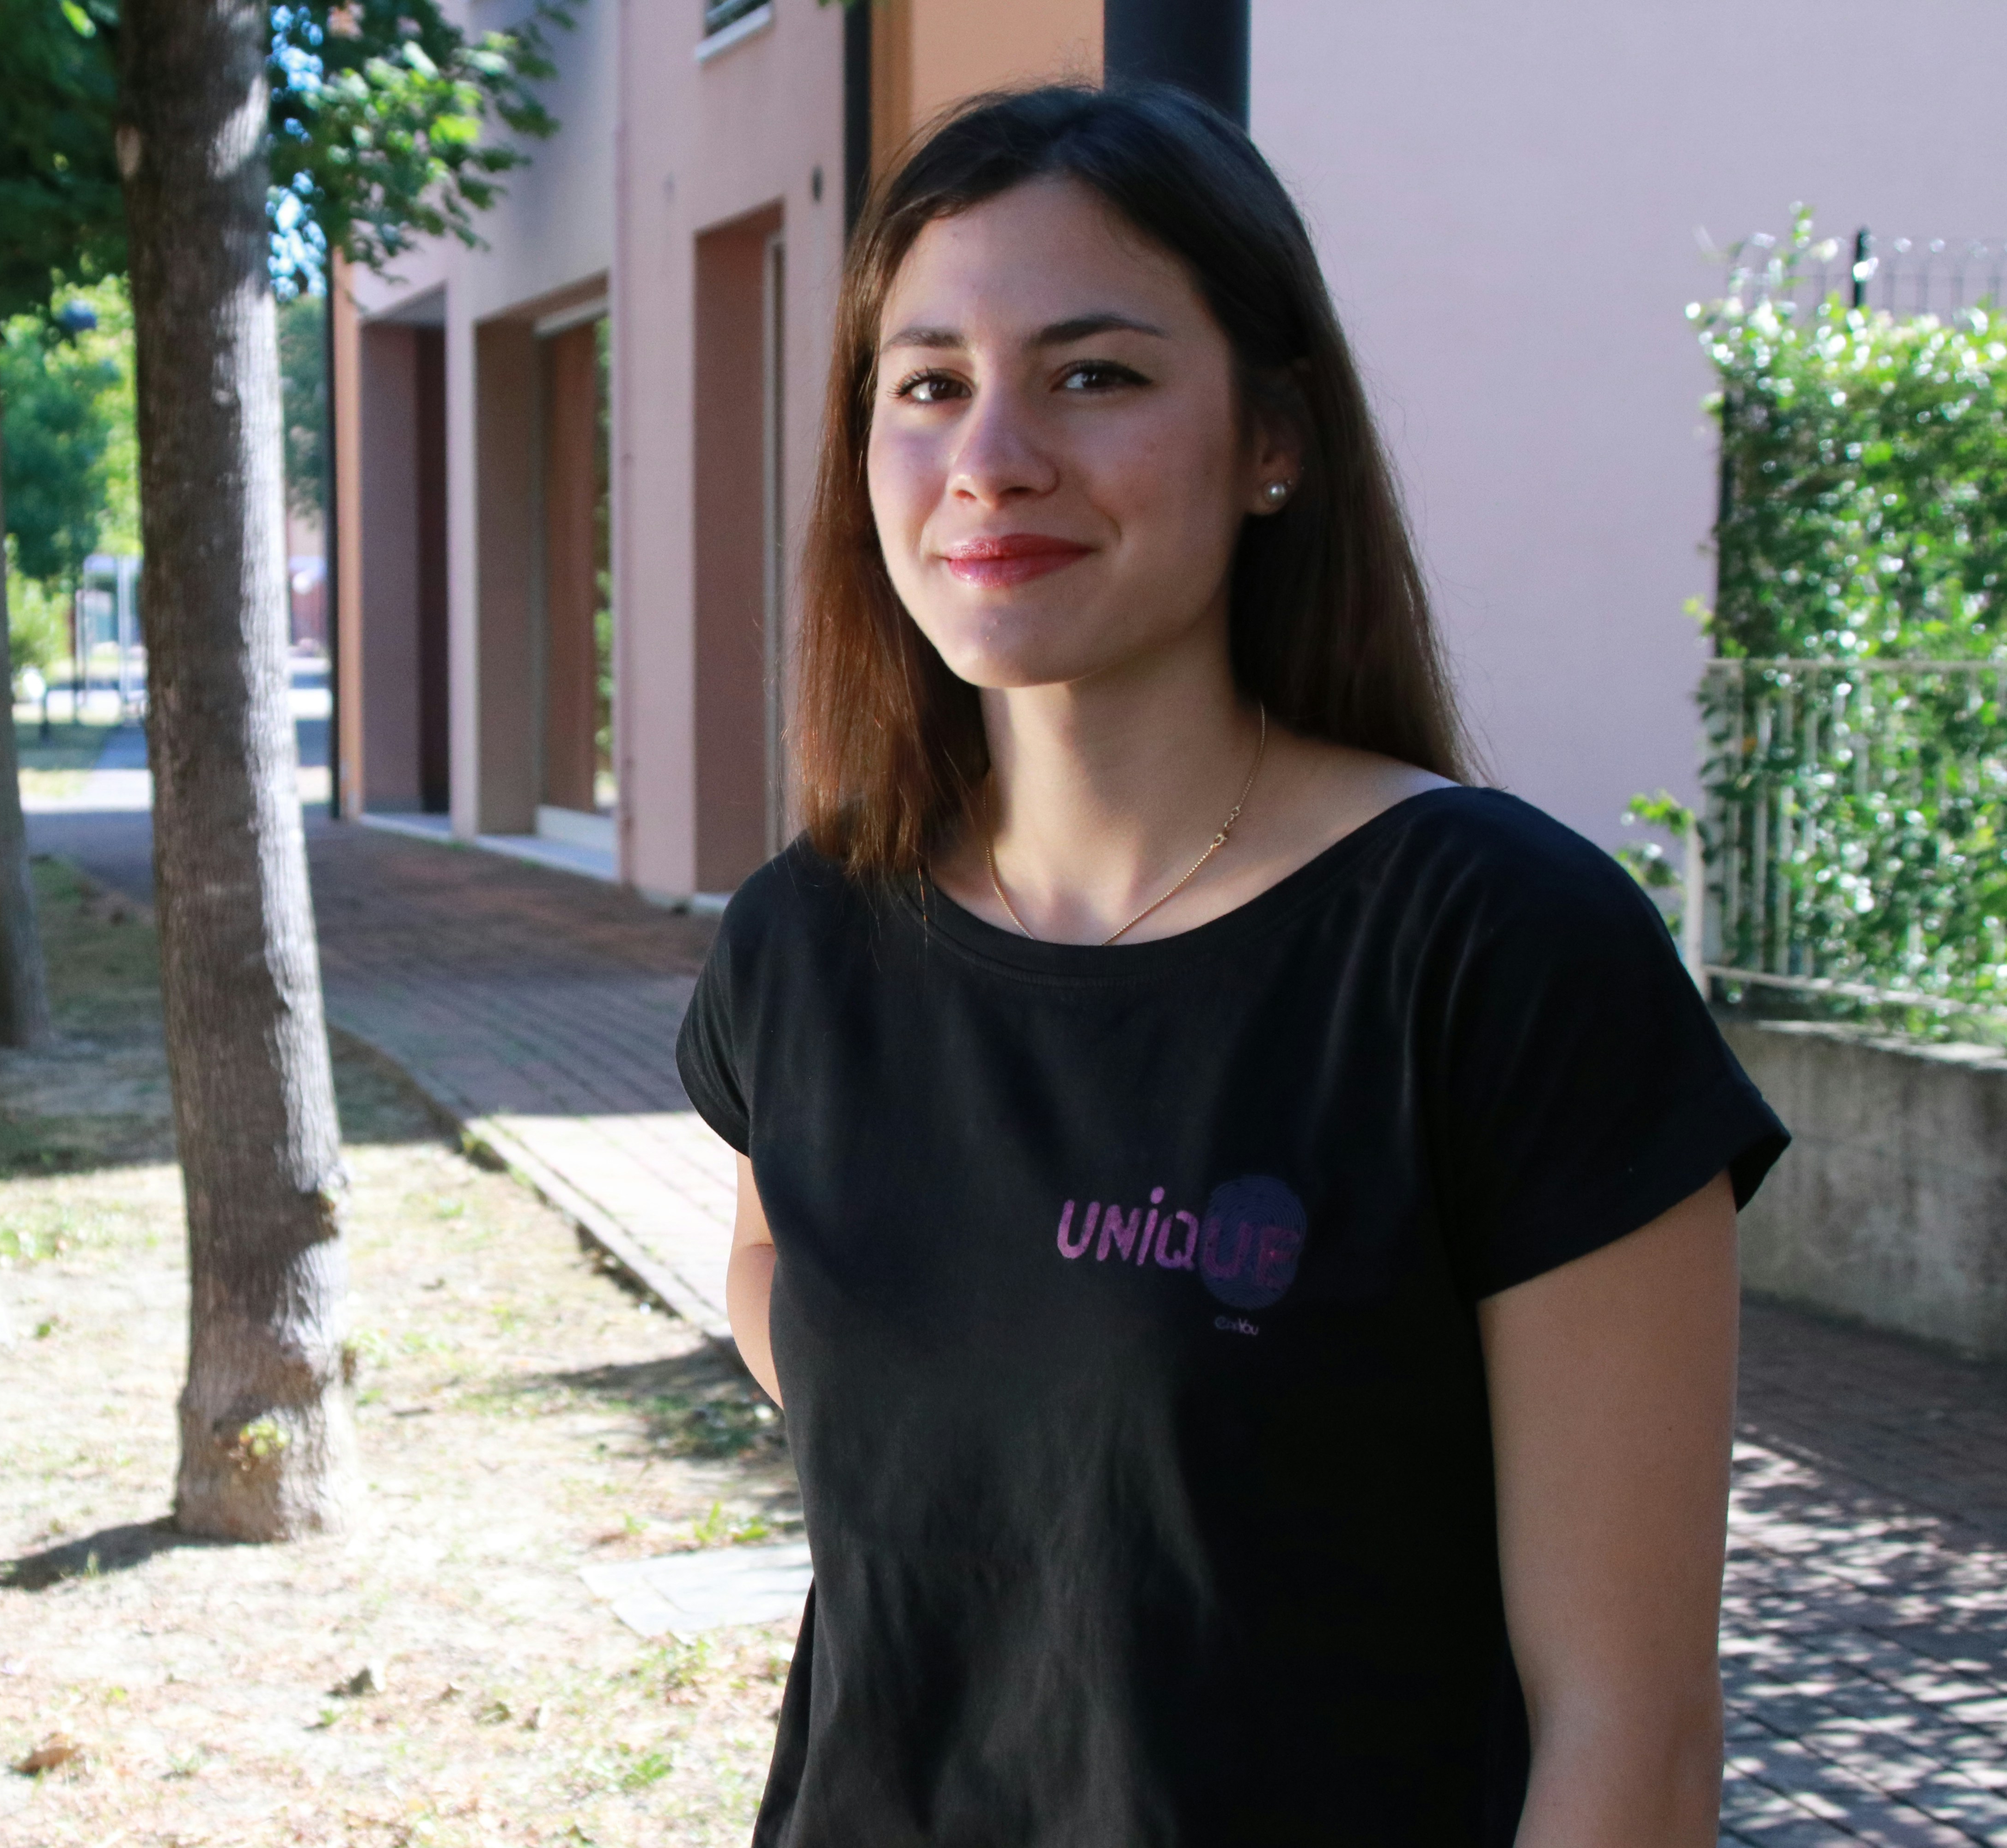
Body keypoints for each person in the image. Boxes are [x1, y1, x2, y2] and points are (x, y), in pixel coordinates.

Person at [675, 83, 1787, 1848]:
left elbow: (1630, 1733)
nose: (992, 457)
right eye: (929, 384)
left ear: (1274, 438)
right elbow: (769, 1255)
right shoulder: (805, 939)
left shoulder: (1501, 951)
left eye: (1094, 374)